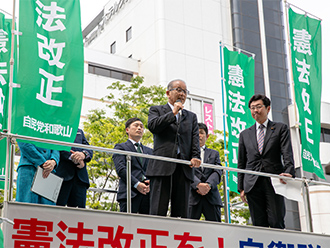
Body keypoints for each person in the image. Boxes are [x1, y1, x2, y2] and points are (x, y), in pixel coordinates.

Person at [237, 94, 295, 229]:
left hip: (274, 180)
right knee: (258, 224)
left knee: (276, 220)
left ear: (268, 109)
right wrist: (241, 187)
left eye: (258, 107)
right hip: (252, 183)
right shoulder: (245, 134)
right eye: (252, 108)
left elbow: (287, 153)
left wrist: (288, 172)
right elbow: (241, 162)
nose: (255, 111)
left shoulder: (280, 128)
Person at [147, 79, 201, 218]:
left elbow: (195, 138)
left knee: (181, 212)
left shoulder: (191, 116)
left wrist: (196, 156)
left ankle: (179, 238)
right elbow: (153, 126)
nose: (182, 94)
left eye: (185, 91)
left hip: (183, 167)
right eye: (178, 90)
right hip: (162, 166)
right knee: (158, 209)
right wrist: (174, 113)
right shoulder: (157, 110)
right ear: (168, 92)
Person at [113, 117, 153, 214]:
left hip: (148, 194)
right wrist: (137, 184)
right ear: (127, 130)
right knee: (127, 226)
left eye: (141, 127)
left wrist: (151, 183)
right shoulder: (121, 147)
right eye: (136, 126)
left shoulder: (150, 151)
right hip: (129, 193)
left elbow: (154, 170)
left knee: (146, 227)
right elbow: (121, 169)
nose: (139, 128)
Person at [189, 123, 223, 222]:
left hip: (211, 196)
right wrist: (198, 184)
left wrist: (208, 185)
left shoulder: (214, 153)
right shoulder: (187, 153)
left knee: (216, 230)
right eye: (196, 133)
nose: (199, 135)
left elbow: (217, 171)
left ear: (207, 136)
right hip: (192, 196)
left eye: (201, 133)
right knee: (189, 230)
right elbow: (186, 171)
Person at [55, 128, 93, 208]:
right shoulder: (56, 128)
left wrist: (83, 155)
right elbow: (56, 148)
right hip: (62, 177)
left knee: (79, 214)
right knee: (57, 211)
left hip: (80, 178)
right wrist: (74, 158)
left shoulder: (79, 131)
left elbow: (89, 149)